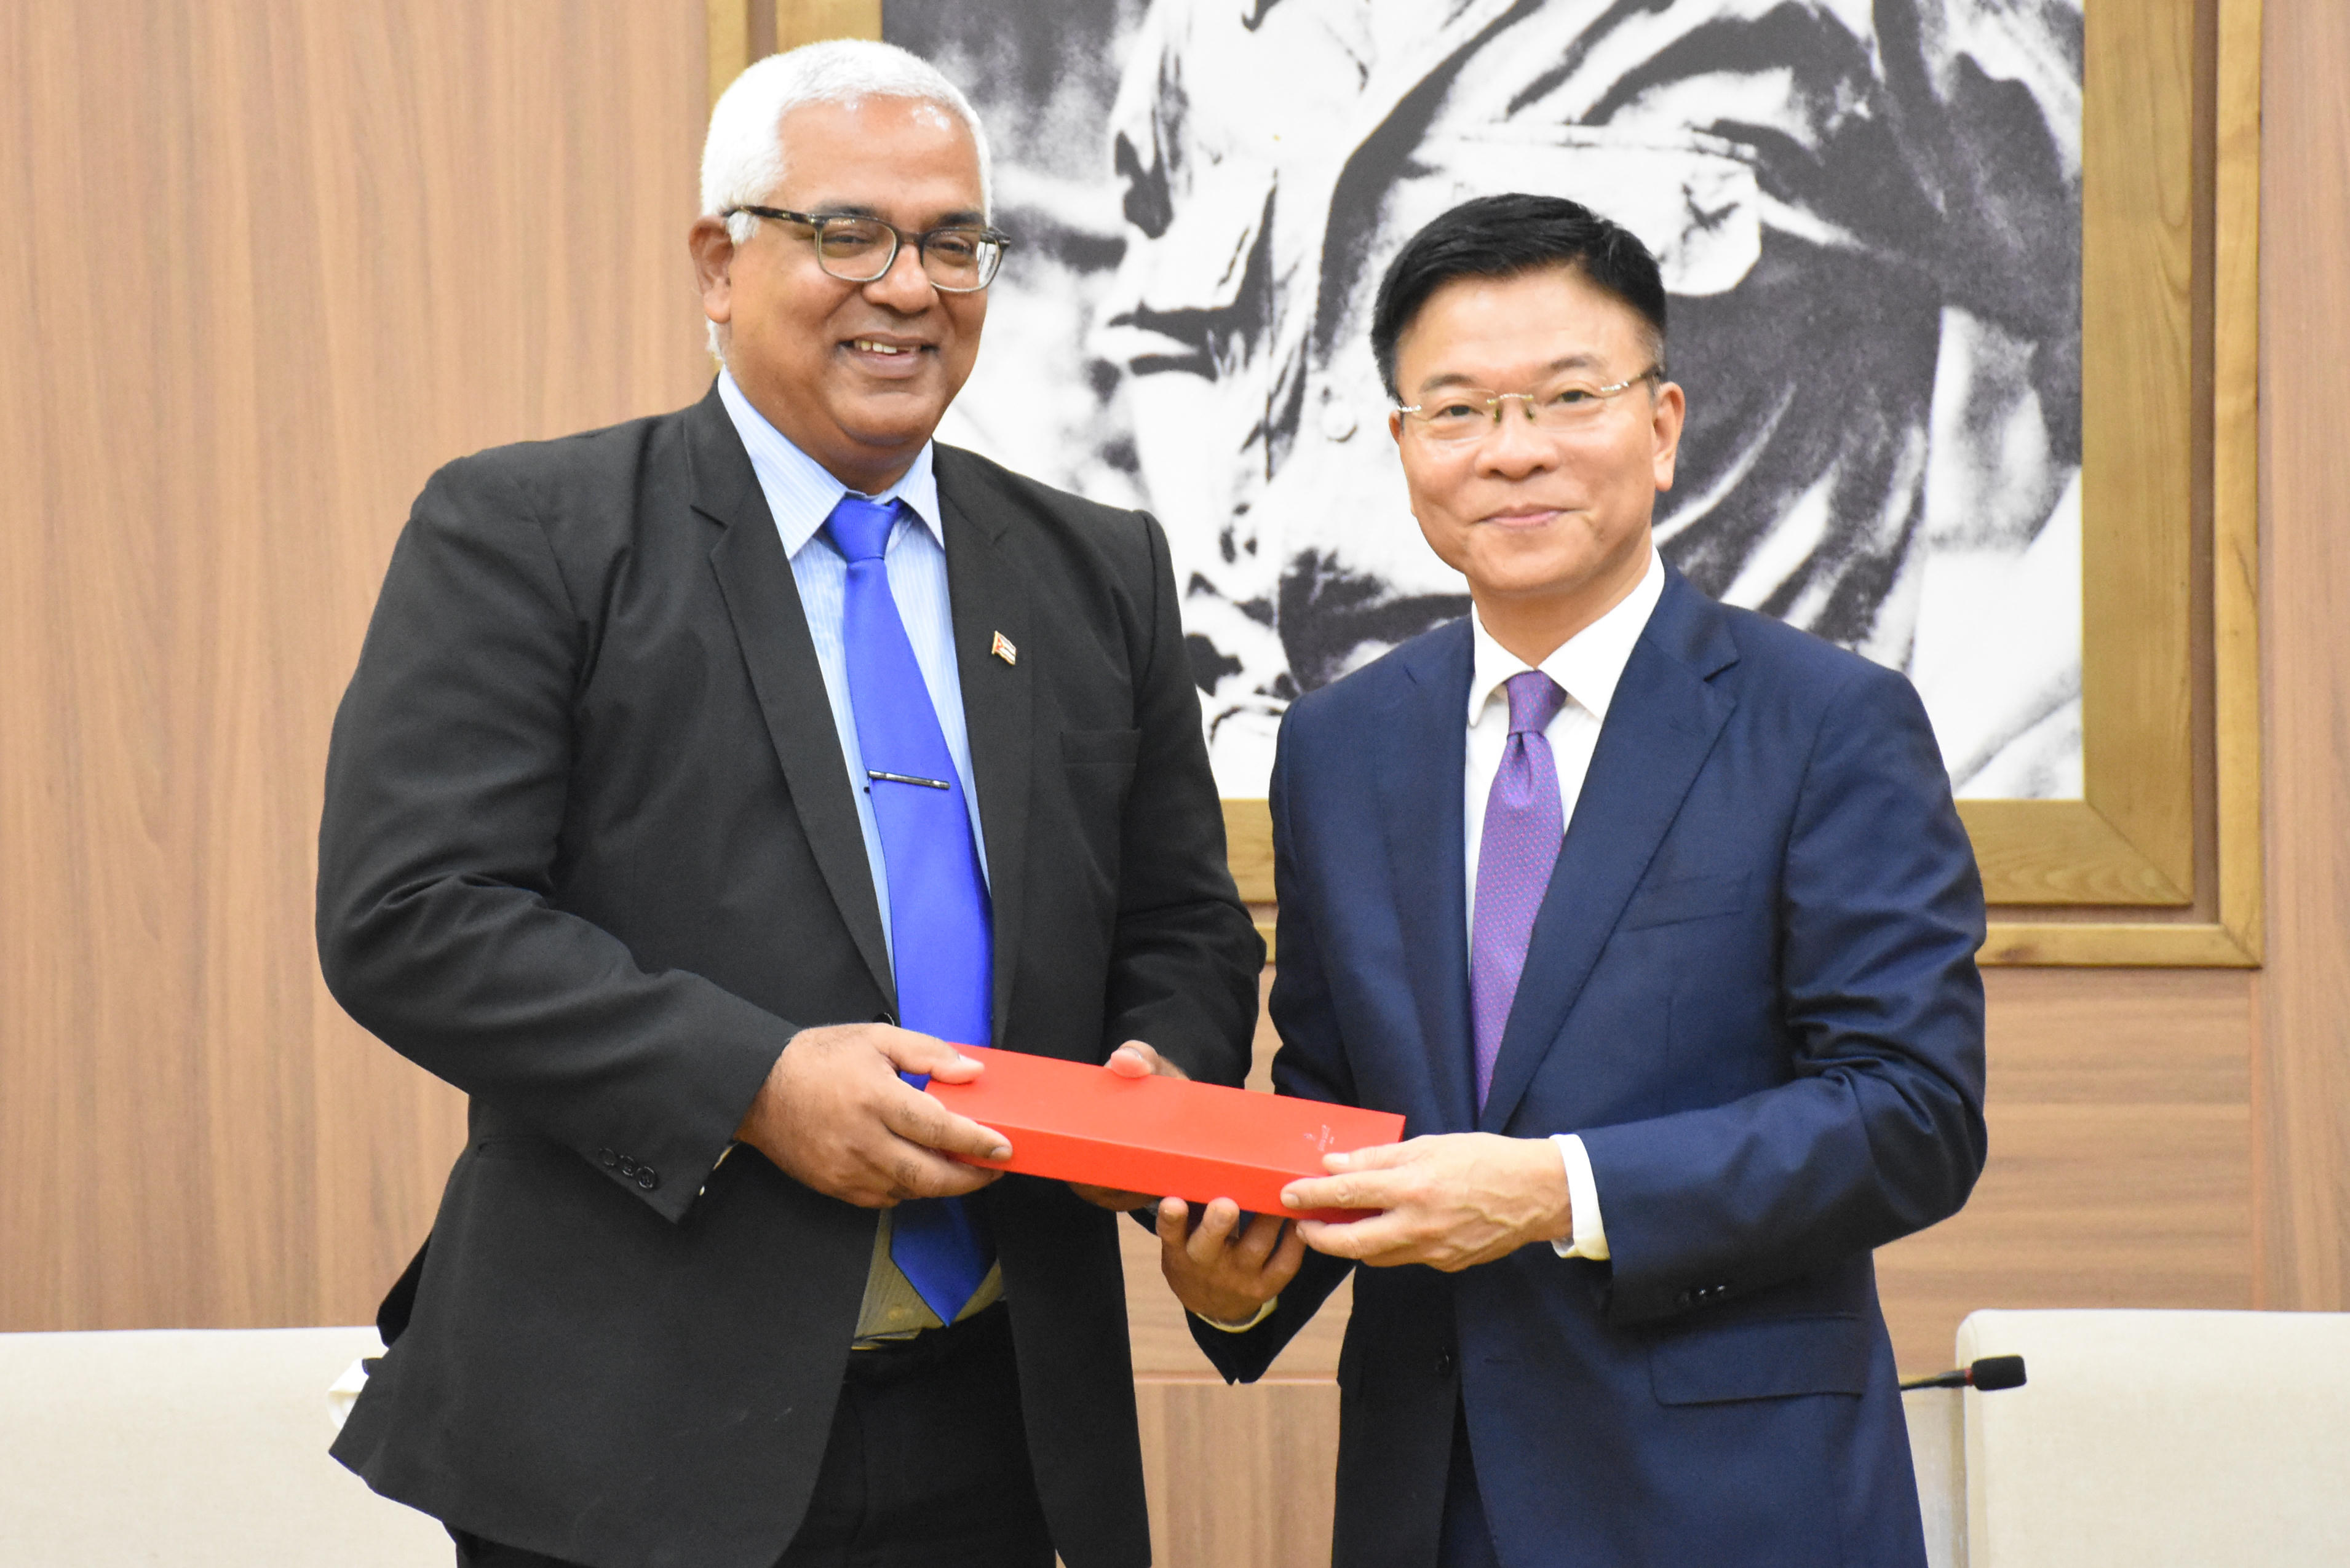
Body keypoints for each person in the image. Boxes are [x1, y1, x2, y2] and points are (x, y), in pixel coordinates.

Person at [317, 39, 1260, 1568]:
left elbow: (1184, 923)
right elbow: (412, 916)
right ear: (719, 262)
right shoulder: (534, 530)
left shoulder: (1098, 568)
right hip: (631, 1431)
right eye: (848, 233)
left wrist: (1158, 1085)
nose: (909, 286)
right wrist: (754, 1082)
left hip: (1006, 1415)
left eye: (952, 242)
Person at [1154, 194, 1988, 1567]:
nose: (1514, 450)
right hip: (1432, 1502)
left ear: (1661, 426)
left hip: (1731, 1506)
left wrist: (1560, 1190)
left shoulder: (1827, 721)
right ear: (1404, 447)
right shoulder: (1340, 744)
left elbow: (1912, 1115)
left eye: (1566, 397)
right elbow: (1335, 1101)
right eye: (1459, 411)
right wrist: (1236, 1278)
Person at [1094, 0, 2084, 798]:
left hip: (1688, 883)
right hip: (1275, 859)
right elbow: (1170, 326)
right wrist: (1220, 668)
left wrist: (1909, 762)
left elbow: (2156, 377)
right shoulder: (1215, 25)